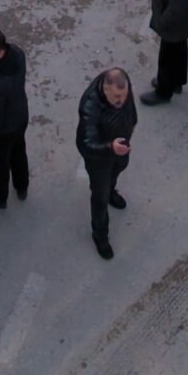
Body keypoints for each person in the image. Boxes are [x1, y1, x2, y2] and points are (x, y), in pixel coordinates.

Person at [75, 66, 138, 259]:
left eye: (124, 96)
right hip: (99, 157)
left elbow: (130, 112)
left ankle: (112, 191)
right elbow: (88, 144)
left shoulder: (122, 89)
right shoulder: (90, 106)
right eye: (116, 98)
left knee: (117, 171)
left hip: (119, 146)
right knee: (99, 197)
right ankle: (100, 234)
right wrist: (110, 147)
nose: (121, 101)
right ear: (105, 90)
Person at [0, 28, 32, 207]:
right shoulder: (17, 54)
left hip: (4, 130)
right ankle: (22, 186)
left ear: (1, 53)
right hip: (20, 115)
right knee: (18, 152)